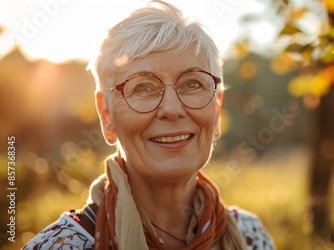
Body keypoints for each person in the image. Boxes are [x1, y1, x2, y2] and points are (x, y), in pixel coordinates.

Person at [23, 1, 275, 249]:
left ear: (217, 109)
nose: (172, 109)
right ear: (107, 115)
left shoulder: (251, 236)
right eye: (143, 87)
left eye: (192, 84)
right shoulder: (61, 246)